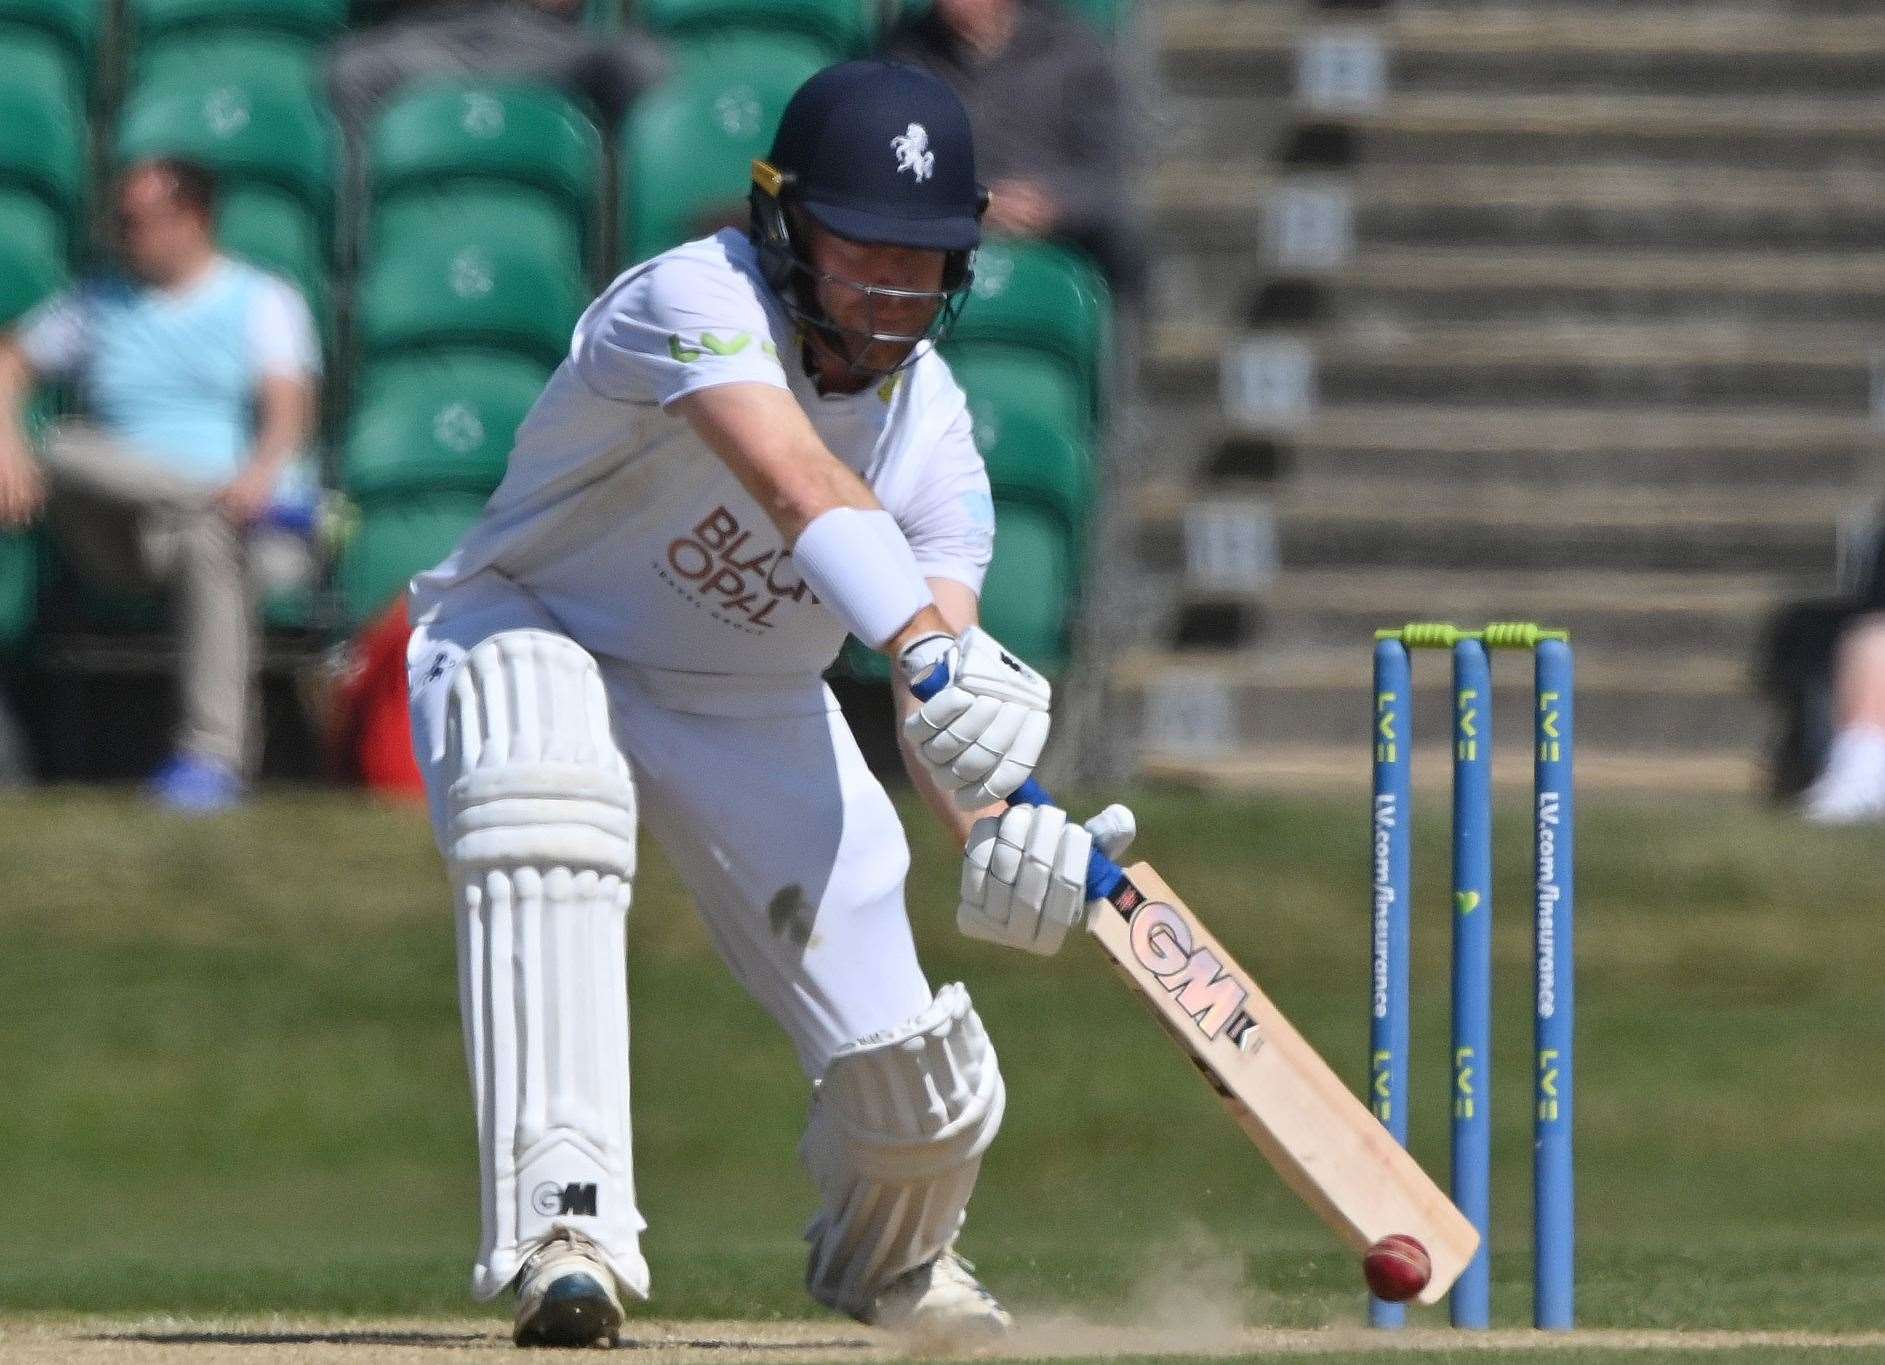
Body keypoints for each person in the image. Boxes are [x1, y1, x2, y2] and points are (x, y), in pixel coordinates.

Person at [404, 60, 1132, 1348]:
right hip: (535, 620)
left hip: (747, 699)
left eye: (926, 260)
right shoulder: (690, 297)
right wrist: (922, 642)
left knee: (922, 1091)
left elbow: (940, 685)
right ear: (784, 223)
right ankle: (562, 1229)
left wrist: (996, 825)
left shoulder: (938, 438)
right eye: (865, 249)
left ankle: (895, 1264)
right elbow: (798, 485)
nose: (894, 289)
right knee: (542, 778)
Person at [0, 158, 320, 810]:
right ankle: (201, 498)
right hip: (128, 531)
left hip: (241, 527)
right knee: (59, 444)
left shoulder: (263, 299)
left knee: (208, 539)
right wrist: (6, 443)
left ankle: (210, 763)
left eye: (138, 220)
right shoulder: (96, 302)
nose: (125, 234)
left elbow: (289, 410)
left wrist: (258, 477)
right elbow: (11, 362)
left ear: (194, 218)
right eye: (118, 221)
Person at [879, 0, 1146, 307]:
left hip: (1063, 233)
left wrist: (1051, 206)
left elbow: (1107, 172)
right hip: (952, 231)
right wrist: (978, 202)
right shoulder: (904, 58)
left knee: (1126, 235)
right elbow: (896, 167)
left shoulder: (1072, 50)